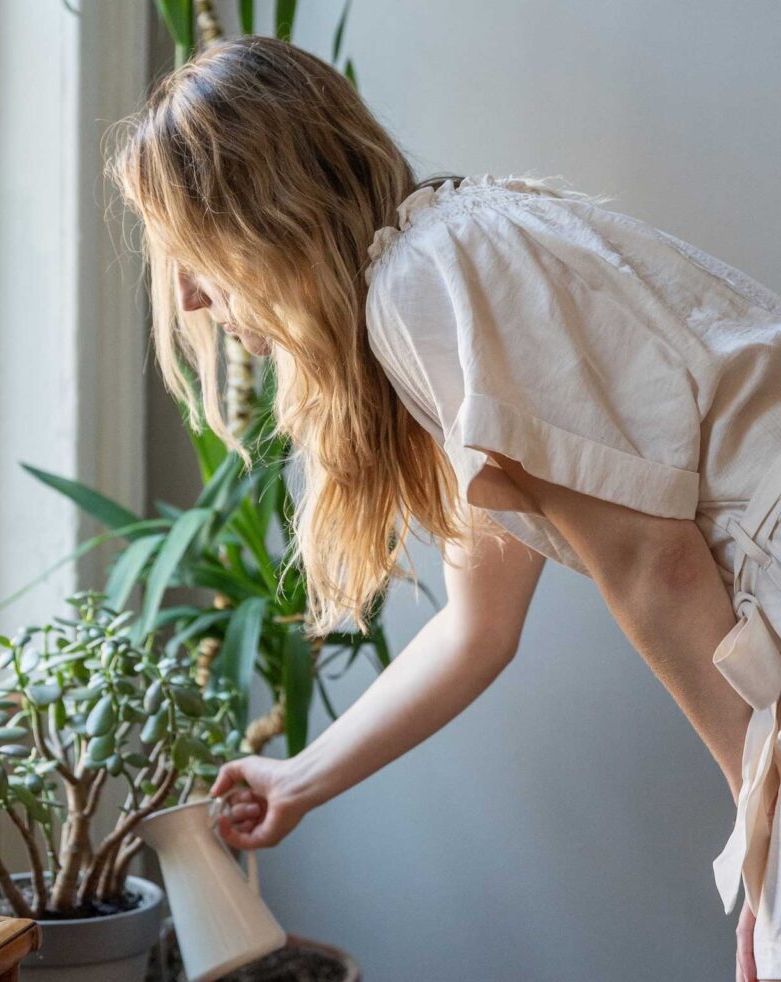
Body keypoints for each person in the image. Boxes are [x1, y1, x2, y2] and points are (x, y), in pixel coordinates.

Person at [105, 34, 781, 982]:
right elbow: (478, 628)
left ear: (271, 215)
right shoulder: (447, 261)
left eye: (196, 250)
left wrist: (762, 841)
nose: (187, 292)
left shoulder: (425, 283)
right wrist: (296, 781)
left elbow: (651, 563)